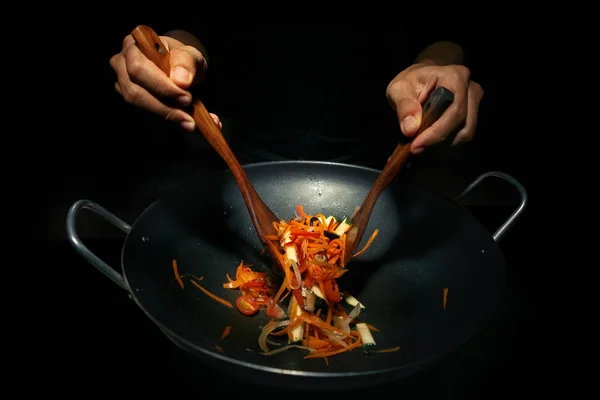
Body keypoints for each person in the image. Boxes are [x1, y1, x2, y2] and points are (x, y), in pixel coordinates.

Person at [109, 22, 485, 192]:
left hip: (377, 166)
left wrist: (432, 67)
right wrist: (177, 49)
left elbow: (442, 29)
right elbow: (194, 25)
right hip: (244, 160)